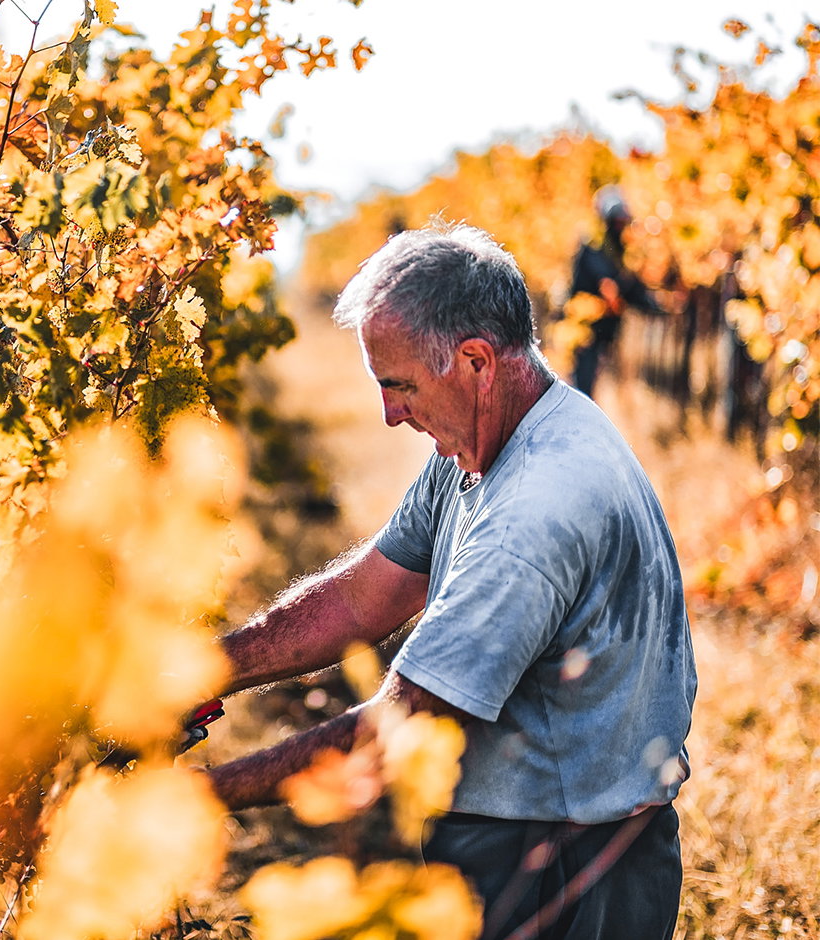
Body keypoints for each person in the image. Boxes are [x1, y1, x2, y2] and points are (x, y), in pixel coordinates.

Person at [202, 221, 696, 938]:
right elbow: (362, 596)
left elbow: (396, 727)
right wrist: (204, 671)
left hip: (570, 868)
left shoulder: (536, 508)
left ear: (474, 362)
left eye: (399, 385)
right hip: (518, 835)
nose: (390, 413)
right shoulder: (476, 441)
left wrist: (197, 796)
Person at [567, 186, 659, 397]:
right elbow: (610, 287)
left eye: (623, 221)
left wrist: (654, 304)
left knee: (591, 387)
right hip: (586, 330)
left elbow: (629, 289)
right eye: (618, 221)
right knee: (583, 388)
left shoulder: (619, 250)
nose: (622, 226)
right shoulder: (592, 247)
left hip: (604, 331)